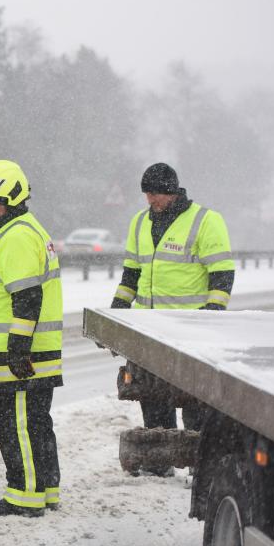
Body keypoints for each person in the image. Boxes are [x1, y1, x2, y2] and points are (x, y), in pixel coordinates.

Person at [110, 163, 235, 472]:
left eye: (154, 194)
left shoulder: (206, 221)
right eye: (146, 195)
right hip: (149, 329)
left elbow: (222, 274)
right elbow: (131, 274)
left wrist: (213, 314)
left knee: (194, 400)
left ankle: (199, 463)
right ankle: (159, 461)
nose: (150, 201)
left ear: (171, 192)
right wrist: (117, 311)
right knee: (152, 395)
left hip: (189, 330)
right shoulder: (139, 223)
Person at [0, 159, 62, 517]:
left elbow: (27, 299)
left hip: (20, 356)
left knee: (16, 424)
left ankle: (24, 495)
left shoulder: (17, 236)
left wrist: (18, 348)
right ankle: (46, 490)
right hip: (27, 352)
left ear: (14, 198)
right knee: (36, 423)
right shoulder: (18, 228)